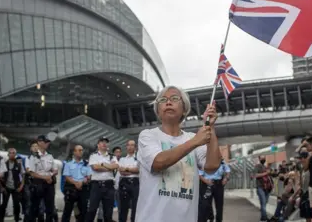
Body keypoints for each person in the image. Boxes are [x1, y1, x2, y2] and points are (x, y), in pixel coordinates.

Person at [135, 85, 221, 222]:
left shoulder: (191, 138)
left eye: (174, 98)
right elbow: (158, 162)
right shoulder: (148, 136)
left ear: (184, 109)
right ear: (158, 110)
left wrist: (210, 127)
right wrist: (195, 141)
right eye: (163, 100)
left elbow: (212, 166)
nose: (168, 102)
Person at [85, 136, 118, 222]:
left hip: (109, 186)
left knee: (108, 212)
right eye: (102, 142)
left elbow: (115, 166)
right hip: (96, 186)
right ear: (98, 145)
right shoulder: (93, 155)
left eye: (106, 142)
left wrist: (102, 164)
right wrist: (108, 167)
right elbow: (95, 167)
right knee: (92, 210)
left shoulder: (112, 156)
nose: (104, 143)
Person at [26, 135, 58, 222]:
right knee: (34, 208)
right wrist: (45, 177)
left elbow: (55, 170)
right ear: (39, 142)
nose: (47, 143)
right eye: (45, 142)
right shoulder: (33, 156)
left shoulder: (50, 156)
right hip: (38, 184)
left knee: (50, 208)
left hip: (49, 184)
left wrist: (50, 176)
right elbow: (32, 173)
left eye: (48, 142)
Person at [62, 144, 92, 222]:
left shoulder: (87, 164)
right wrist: (75, 183)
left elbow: (89, 177)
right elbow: (67, 177)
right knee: (67, 211)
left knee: (83, 211)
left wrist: (82, 182)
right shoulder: (68, 164)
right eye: (79, 150)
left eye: (82, 150)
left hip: (83, 189)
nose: (81, 152)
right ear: (74, 152)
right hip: (71, 188)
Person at [118, 140, 140, 222]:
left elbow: (138, 170)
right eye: (128, 145)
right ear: (126, 147)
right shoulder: (122, 159)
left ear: (135, 147)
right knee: (123, 207)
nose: (130, 147)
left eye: (132, 145)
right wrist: (132, 170)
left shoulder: (139, 158)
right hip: (124, 183)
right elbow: (121, 172)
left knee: (135, 207)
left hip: (135, 183)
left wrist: (127, 169)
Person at [1, 148, 25, 222]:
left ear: (15, 154)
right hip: (6, 187)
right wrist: (2, 187)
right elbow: (0, 176)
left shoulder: (19, 164)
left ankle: (17, 219)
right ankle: (0, 219)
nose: (12, 154)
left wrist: (21, 186)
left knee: (17, 205)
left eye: (13, 153)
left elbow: (23, 175)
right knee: (3, 205)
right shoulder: (4, 164)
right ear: (8, 154)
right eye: (10, 153)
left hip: (16, 187)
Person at [253, 155, 272, 222]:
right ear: (259, 159)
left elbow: (269, 176)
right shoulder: (257, 166)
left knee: (264, 203)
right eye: (262, 158)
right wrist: (266, 173)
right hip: (260, 187)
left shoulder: (265, 166)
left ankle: (262, 217)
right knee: (263, 202)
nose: (263, 159)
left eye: (264, 158)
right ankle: (265, 218)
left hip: (267, 187)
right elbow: (255, 175)